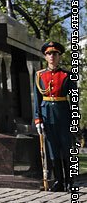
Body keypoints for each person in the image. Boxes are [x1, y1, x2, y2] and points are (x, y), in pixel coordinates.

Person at [33, 41, 76, 192]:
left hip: (64, 116)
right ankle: (58, 180)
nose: (52, 56)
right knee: (52, 150)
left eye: (55, 54)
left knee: (66, 149)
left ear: (59, 56)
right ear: (45, 57)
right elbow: (37, 100)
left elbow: (74, 99)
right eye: (49, 54)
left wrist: (75, 119)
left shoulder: (67, 75)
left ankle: (69, 182)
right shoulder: (39, 75)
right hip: (46, 117)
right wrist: (37, 119)